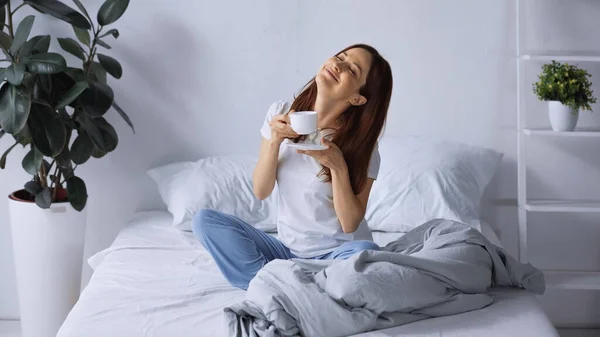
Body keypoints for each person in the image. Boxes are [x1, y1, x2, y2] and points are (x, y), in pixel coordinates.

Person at [192, 43, 393, 290]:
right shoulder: (281, 113)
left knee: (366, 252)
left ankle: (279, 286)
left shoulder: (363, 147)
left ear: (358, 98)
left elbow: (350, 223)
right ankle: (295, 288)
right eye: (340, 56)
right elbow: (261, 190)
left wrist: (338, 167)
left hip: (336, 255)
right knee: (204, 221)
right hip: (286, 251)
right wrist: (275, 140)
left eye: (351, 70)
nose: (338, 65)